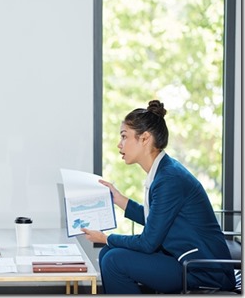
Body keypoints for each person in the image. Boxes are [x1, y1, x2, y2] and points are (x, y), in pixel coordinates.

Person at [81, 100, 235, 294]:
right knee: (108, 254)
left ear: (145, 138)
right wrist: (119, 199)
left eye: (124, 136)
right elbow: (154, 220)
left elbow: (148, 242)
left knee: (113, 259)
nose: (119, 144)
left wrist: (106, 237)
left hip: (203, 270)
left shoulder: (169, 179)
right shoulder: (163, 172)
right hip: (180, 258)